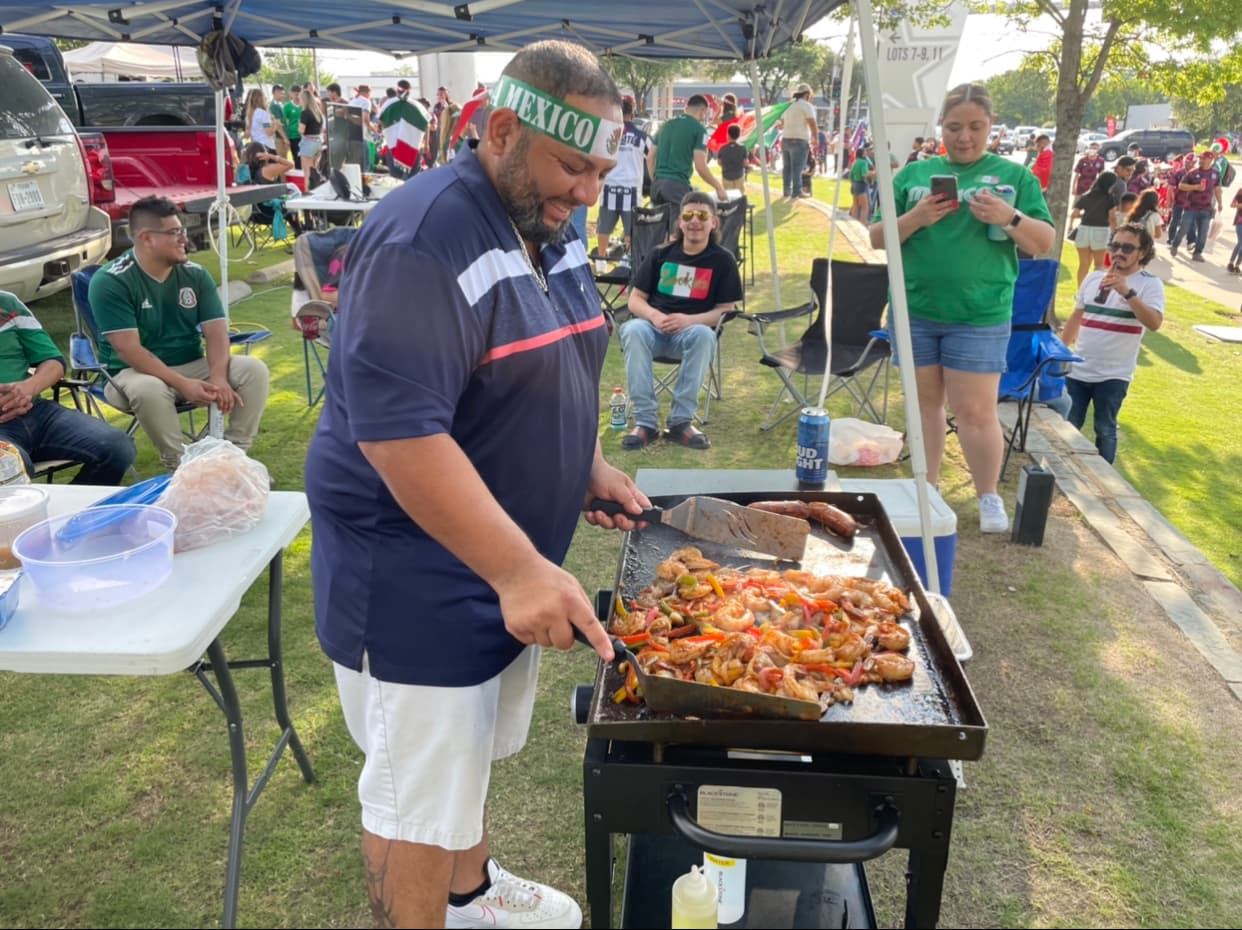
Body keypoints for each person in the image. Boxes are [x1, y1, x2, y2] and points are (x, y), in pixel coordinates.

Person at [303, 40, 649, 929]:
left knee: (465, 765)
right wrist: (518, 571)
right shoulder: (423, 238)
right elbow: (401, 436)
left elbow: (563, 352)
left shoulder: (548, 222)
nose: (587, 190)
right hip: (416, 576)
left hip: (497, 558)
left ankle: (473, 895)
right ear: (502, 131)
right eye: (574, 166)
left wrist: (585, 465)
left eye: (601, 170)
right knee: (415, 803)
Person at [868, 82, 1055, 533]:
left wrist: (1007, 217)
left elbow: (1044, 243)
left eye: (975, 126)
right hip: (915, 310)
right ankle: (926, 488)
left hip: (980, 313)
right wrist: (917, 217)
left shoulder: (1016, 177)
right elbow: (877, 238)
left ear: (991, 126)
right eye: (954, 127)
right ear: (941, 128)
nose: (964, 136)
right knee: (925, 406)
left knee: (975, 412)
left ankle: (987, 495)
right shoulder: (913, 176)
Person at [87, 196, 270, 471]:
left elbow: (216, 331)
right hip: (129, 374)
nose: (184, 239)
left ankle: (232, 460)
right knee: (149, 388)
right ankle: (184, 468)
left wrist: (218, 378)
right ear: (147, 238)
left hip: (190, 365)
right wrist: (183, 384)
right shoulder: (111, 280)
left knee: (253, 369)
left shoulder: (195, 274)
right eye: (175, 233)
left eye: (182, 230)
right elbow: (129, 350)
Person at [618, 192, 744, 451]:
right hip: (654, 331)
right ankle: (646, 422)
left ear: (714, 222)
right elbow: (635, 299)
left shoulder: (723, 260)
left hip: (691, 336)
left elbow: (726, 310)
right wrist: (654, 316)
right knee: (632, 329)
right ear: (680, 221)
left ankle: (680, 422)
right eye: (688, 215)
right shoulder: (661, 254)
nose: (694, 221)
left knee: (703, 334)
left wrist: (689, 320)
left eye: (702, 215)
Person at [0, 290, 134, 484]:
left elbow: (53, 362)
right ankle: (39, 514)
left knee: (117, 447)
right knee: (11, 468)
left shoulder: (8, 304)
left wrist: (27, 389)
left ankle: (80, 513)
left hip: (36, 412)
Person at [1061, 223, 1164, 464]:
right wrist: (1059, 352)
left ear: (1143, 252)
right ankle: (1061, 474)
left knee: (1105, 429)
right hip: (1079, 369)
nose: (1119, 252)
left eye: (1127, 247)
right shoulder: (1094, 277)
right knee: (1067, 425)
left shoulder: (1150, 284)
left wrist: (1128, 293)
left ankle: (1104, 481)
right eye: (1115, 245)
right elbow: (1077, 316)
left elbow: (1154, 323)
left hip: (1114, 374)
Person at [594, 96, 650, 262]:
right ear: (632, 113)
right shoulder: (641, 136)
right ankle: (629, 260)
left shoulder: (608, 134)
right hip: (631, 188)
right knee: (631, 230)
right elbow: (652, 154)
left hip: (609, 186)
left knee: (604, 228)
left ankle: (601, 260)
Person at [647, 94, 727, 206]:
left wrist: (655, 180)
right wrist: (718, 187)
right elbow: (700, 166)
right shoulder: (699, 129)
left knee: (658, 222)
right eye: (706, 114)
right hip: (677, 185)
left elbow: (650, 158)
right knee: (681, 222)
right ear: (702, 111)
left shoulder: (665, 125)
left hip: (657, 185)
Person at [1169, 149, 1223, 262]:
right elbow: (1181, 185)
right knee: (1183, 228)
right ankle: (1175, 245)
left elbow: (1217, 189)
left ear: (1210, 160)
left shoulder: (1215, 174)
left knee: (1203, 232)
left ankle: (1197, 253)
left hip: (1206, 208)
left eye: (1204, 158)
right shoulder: (1193, 173)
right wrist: (1195, 187)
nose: (1201, 160)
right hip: (1191, 207)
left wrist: (1220, 202)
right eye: (1201, 158)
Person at [1070, 170, 1118, 287]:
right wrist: (1115, 231)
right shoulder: (1110, 198)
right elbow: (1112, 217)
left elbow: (1074, 214)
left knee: (1083, 264)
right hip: (1101, 230)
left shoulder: (1086, 196)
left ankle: (1080, 291)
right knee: (1099, 265)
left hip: (1083, 229)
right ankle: (1094, 291)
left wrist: (1085, 216)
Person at [778, 83, 817, 200]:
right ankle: (797, 191)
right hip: (800, 139)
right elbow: (812, 123)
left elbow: (782, 123)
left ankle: (786, 190)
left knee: (787, 167)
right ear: (807, 94)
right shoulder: (806, 106)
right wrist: (815, 136)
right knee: (797, 168)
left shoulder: (788, 105)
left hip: (786, 138)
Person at [716, 122, 748, 195]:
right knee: (740, 195)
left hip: (726, 175)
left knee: (729, 196)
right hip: (739, 175)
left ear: (728, 135)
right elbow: (745, 162)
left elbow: (719, 162)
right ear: (739, 135)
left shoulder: (723, 148)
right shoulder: (742, 148)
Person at [848, 145, 873, 222]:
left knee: (855, 205)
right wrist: (873, 173)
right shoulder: (863, 162)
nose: (866, 154)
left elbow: (850, 176)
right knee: (865, 207)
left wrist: (852, 184)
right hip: (861, 185)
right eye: (865, 153)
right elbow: (864, 174)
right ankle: (863, 224)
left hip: (855, 184)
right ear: (862, 154)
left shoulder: (855, 162)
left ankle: (853, 223)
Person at [1228, 186, 1242, 275]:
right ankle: (1231, 262)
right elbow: (1233, 204)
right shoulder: (1241, 191)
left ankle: (1237, 265)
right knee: (1241, 242)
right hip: (1240, 221)